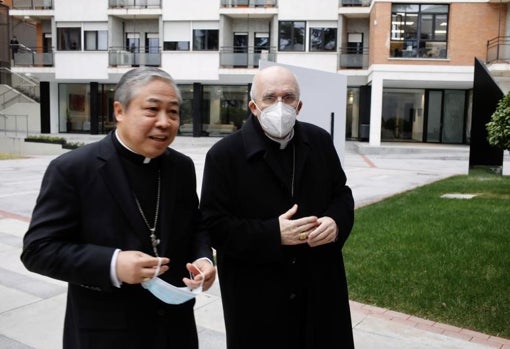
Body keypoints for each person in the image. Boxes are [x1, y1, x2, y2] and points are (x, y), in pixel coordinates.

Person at [21, 67, 216, 349]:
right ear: (120, 111)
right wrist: (112, 264)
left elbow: (196, 226)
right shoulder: (73, 169)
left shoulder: (181, 167)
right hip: (106, 333)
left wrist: (203, 261)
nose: (164, 122)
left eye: (173, 112)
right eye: (152, 110)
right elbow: (38, 250)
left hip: (175, 330)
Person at [200, 65, 356, 349]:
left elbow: (342, 195)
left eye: (288, 97)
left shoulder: (319, 141)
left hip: (319, 288)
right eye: (270, 97)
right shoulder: (224, 156)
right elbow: (214, 226)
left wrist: (335, 222)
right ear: (254, 106)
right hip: (258, 298)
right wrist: (273, 233)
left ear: (300, 105)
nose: (280, 105)